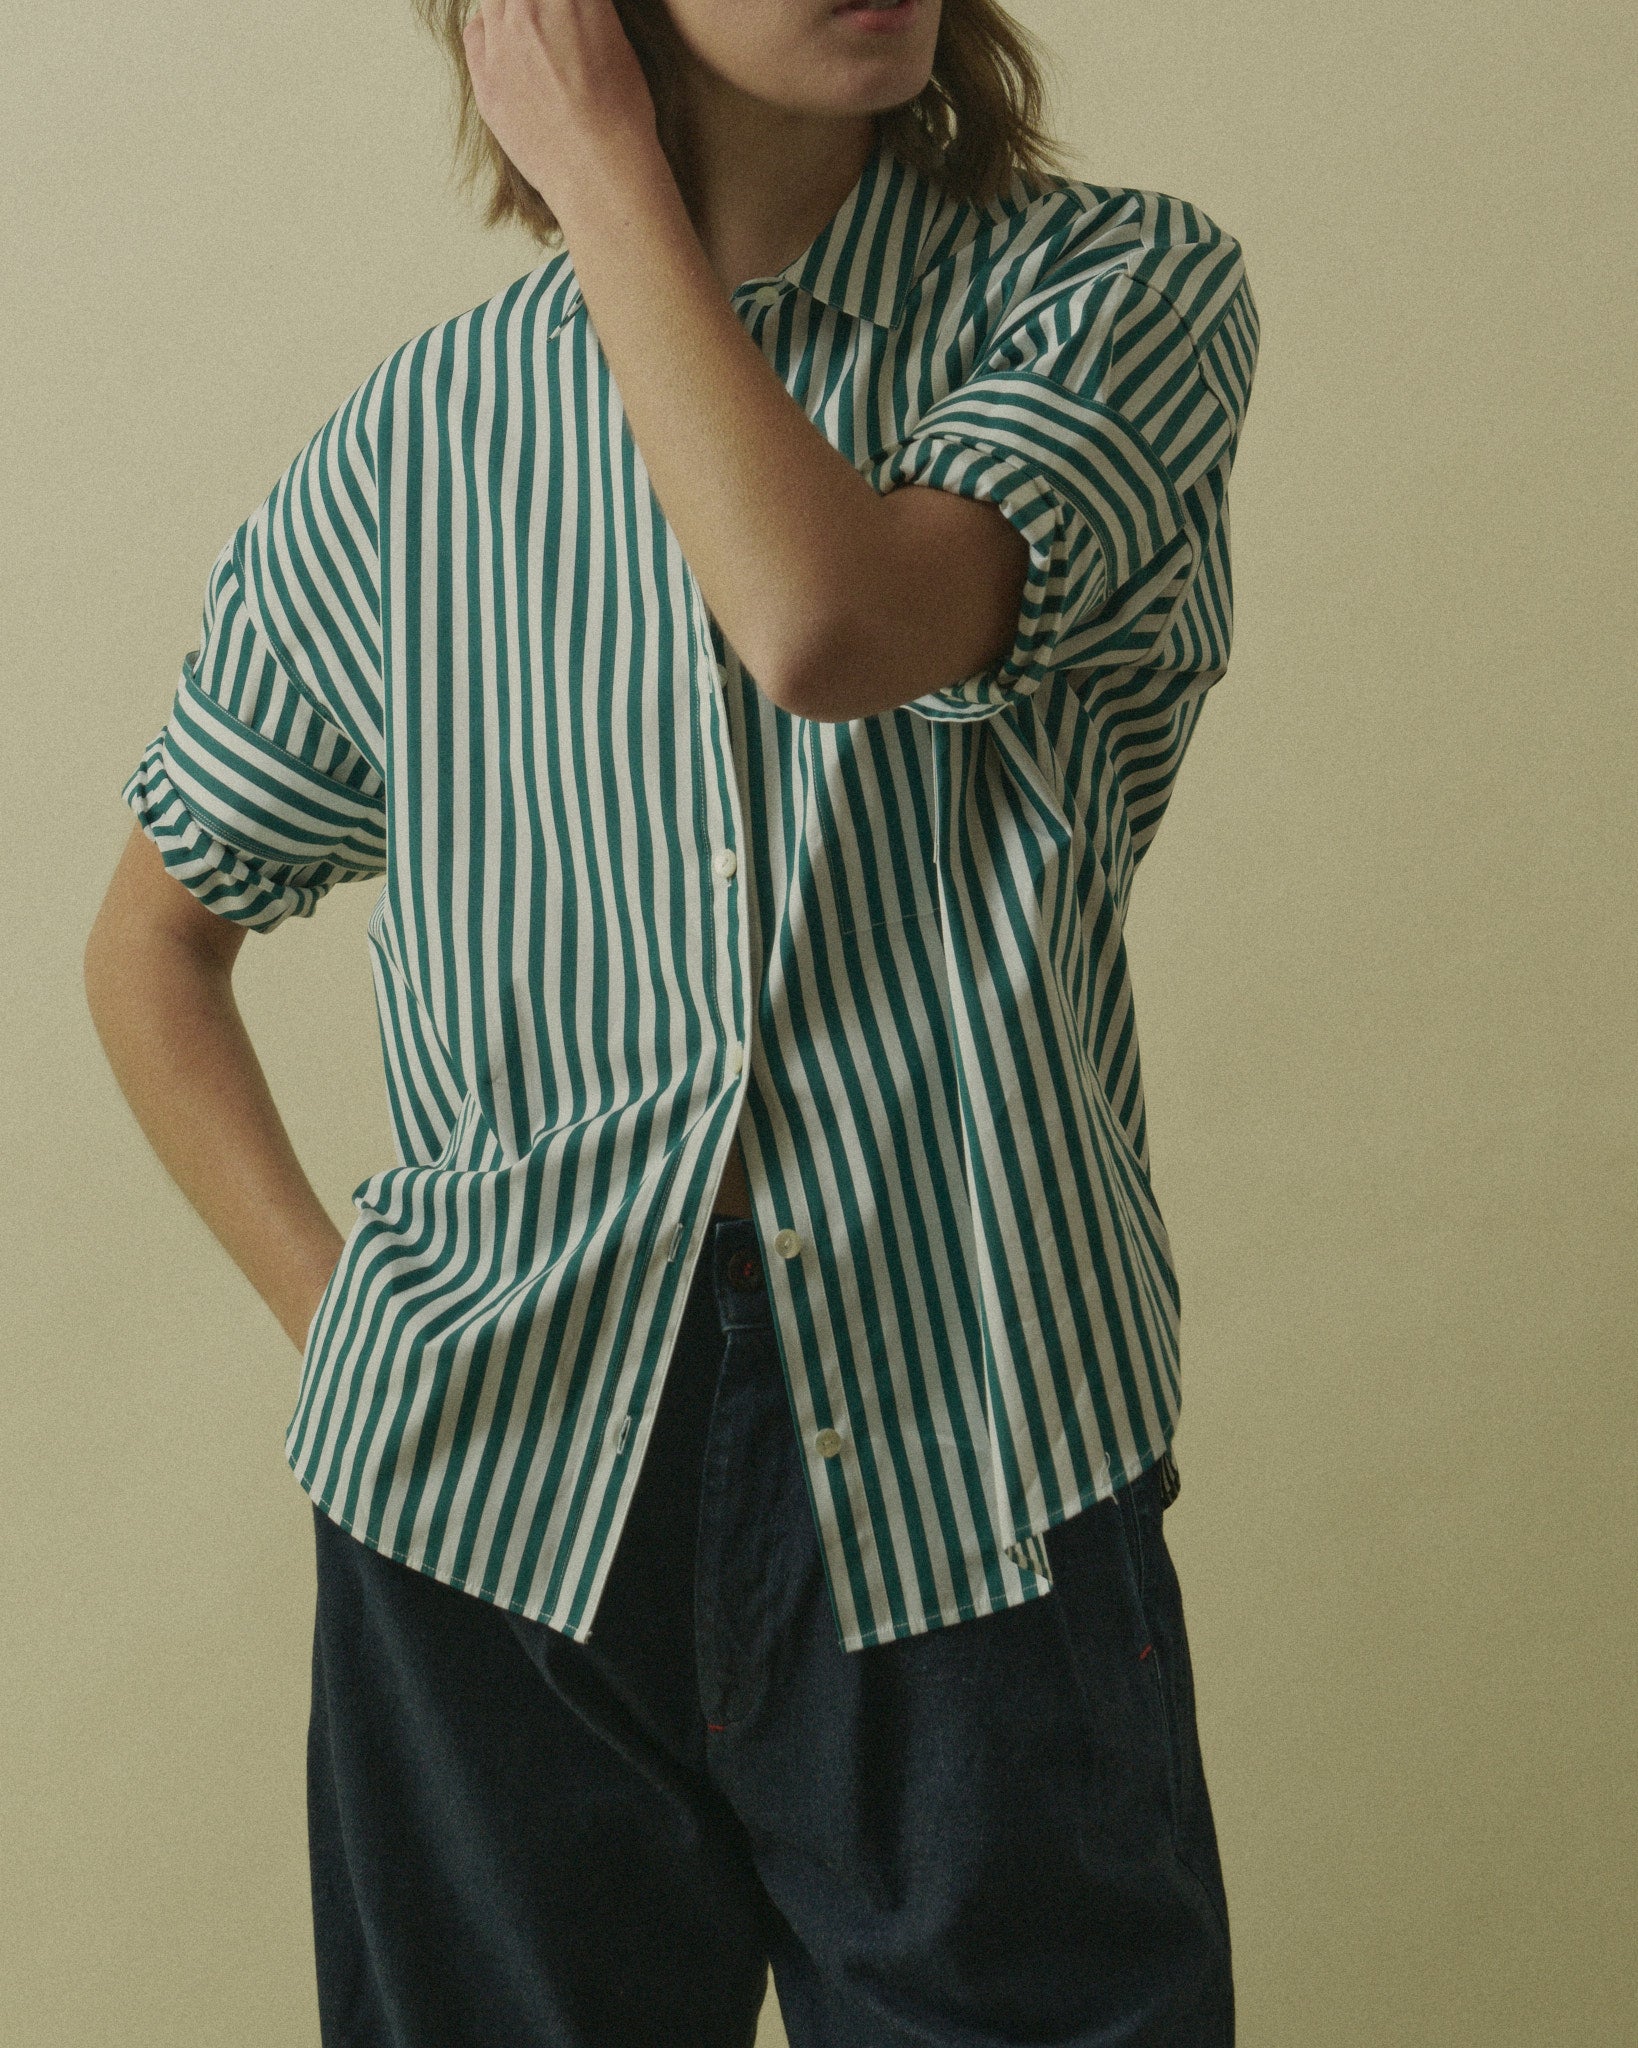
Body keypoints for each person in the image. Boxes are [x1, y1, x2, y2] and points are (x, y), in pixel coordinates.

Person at [83, 0, 1260, 2041]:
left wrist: (605, 168)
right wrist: (351, 1327)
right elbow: (149, 945)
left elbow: (822, 620)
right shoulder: (418, 448)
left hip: (971, 1460)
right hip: (493, 1505)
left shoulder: (1106, 295)